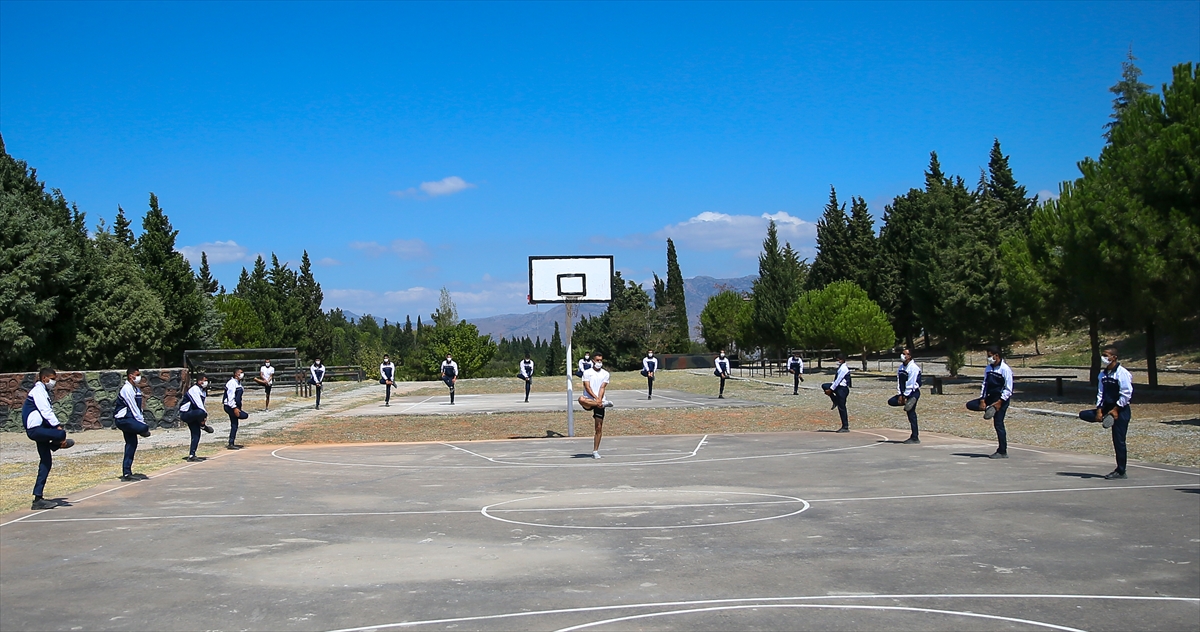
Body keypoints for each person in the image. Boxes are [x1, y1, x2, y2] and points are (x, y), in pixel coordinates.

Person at [1078, 346, 1134, 479]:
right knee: (1083, 414)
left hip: (1121, 410)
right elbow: (1100, 393)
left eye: (1106, 355)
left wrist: (1116, 409)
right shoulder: (1102, 375)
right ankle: (1105, 418)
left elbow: (1126, 394)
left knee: (1119, 441)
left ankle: (1121, 471)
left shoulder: (1122, 373)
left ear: (1114, 357)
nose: (1104, 358)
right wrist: (1099, 410)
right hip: (1106, 408)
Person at [24, 367, 74, 510]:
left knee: (46, 462)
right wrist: (57, 427)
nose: (54, 381)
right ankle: (57, 445)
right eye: (52, 378)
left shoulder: (43, 391)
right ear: (44, 378)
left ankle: (38, 498)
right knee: (61, 434)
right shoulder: (38, 391)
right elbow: (46, 411)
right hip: (36, 430)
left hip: (42, 429)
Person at [966, 346, 1014, 459]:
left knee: (998, 424)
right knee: (970, 405)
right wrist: (982, 399)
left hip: (1001, 399)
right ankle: (989, 408)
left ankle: (1002, 451)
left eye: (989, 356)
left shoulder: (1005, 369)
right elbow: (985, 384)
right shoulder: (988, 368)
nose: (988, 358)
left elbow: (1008, 389)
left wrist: (1000, 402)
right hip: (990, 397)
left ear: (996, 355)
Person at [114, 368, 152, 481]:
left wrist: (141, 420)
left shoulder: (136, 390)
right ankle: (142, 430)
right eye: (137, 375)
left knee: (132, 443)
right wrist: (141, 424)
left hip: (131, 419)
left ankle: (127, 473)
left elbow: (139, 408)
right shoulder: (127, 389)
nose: (139, 377)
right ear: (131, 376)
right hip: (123, 419)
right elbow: (133, 407)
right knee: (144, 428)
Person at [578, 352, 613, 459]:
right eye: (597, 360)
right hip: (590, 400)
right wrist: (596, 399)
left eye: (601, 360)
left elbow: (602, 387)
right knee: (581, 399)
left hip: (600, 401)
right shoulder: (587, 372)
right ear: (593, 361)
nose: (599, 362)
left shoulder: (605, 374)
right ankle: (602, 404)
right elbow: (587, 387)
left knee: (598, 427)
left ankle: (595, 451)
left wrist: (599, 399)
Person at [886, 348, 922, 444]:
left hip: (913, 393)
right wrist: (900, 395)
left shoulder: (913, 368)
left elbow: (911, 383)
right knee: (891, 401)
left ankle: (915, 437)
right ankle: (906, 403)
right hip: (903, 393)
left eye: (905, 354)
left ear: (909, 356)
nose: (902, 355)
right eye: (902, 353)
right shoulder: (901, 368)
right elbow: (899, 382)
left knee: (911, 413)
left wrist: (906, 396)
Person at [179, 374, 214, 461]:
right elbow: (198, 404)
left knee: (196, 434)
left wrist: (202, 417)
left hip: (194, 414)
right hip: (186, 413)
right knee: (201, 412)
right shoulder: (194, 389)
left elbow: (202, 405)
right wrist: (204, 416)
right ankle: (203, 426)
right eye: (203, 380)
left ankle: (192, 455)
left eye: (206, 380)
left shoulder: (203, 391)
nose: (205, 382)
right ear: (199, 381)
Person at [822, 354, 852, 433]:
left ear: (841, 360)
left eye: (838, 360)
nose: (837, 361)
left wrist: (831, 389)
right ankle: (835, 401)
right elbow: (835, 381)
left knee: (842, 408)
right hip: (838, 387)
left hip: (842, 389)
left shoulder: (843, 369)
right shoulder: (840, 367)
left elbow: (839, 380)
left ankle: (845, 426)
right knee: (825, 386)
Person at [224, 369, 248, 449]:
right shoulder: (232, 383)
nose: (242, 374)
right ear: (235, 374)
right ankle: (231, 443)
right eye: (240, 373)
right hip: (230, 406)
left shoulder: (238, 383)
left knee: (234, 425)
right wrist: (234, 408)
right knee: (244, 416)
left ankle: (231, 442)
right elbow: (230, 397)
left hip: (236, 406)